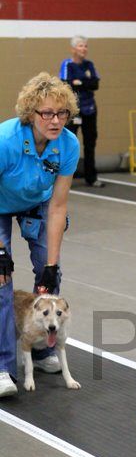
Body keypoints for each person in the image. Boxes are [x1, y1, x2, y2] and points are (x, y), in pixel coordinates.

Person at [0, 72, 80, 398]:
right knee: (2, 278)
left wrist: (50, 262)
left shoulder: (68, 145)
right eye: (47, 113)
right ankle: (4, 366)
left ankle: (44, 349)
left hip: (37, 203)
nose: (56, 120)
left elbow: (59, 205)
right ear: (31, 114)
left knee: (51, 272)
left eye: (62, 113)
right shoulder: (6, 140)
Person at [59, 35, 104, 188]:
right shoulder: (67, 64)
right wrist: (83, 83)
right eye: (80, 46)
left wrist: (80, 82)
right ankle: (64, 178)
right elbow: (66, 84)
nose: (83, 48)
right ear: (73, 49)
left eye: (85, 46)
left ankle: (91, 177)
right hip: (73, 110)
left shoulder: (90, 65)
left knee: (90, 143)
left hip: (90, 108)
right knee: (69, 142)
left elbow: (95, 84)